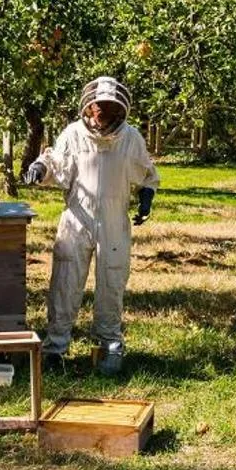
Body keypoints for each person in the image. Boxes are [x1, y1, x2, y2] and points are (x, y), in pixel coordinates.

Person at [24, 76, 159, 377]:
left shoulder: (131, 138)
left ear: (119, 110)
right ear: (89, 106)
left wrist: (146, 199)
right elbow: (55, 163)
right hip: (76, 219)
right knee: (65, 282)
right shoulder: (73, 134)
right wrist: (40, 167)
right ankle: (55, 349)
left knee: (112, 281)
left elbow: (147, 173)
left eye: (108, 107)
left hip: (114, 221)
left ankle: (109, 344)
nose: (101, 112)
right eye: (98, 106)